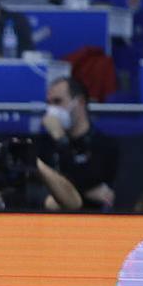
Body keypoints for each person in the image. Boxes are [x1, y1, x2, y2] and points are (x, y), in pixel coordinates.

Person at [35, 76, 119, 212]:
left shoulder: (104, 144)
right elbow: (37, 188)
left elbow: (92, 180)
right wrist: (84, 191)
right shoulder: (45, 144)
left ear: (79, 102)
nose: (52, 109)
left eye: (57, 102)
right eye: (49, 103)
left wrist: (60, 137)